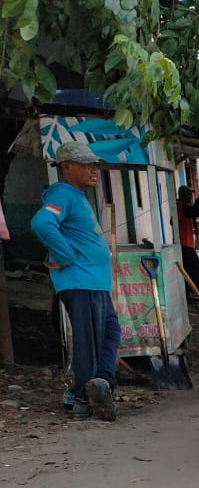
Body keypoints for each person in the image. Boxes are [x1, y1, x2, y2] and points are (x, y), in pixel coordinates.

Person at [30, 142, 118, 421]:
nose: (94, 169)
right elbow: (42, 223)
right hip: (81, 280)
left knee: (110, 333)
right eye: (86, 164)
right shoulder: (62, 194)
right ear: (66, 166)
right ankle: (84, 396)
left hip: (93, 281)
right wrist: (65, 255)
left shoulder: (76, 195)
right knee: (89, 341)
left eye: (94, 164)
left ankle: (99, 384)